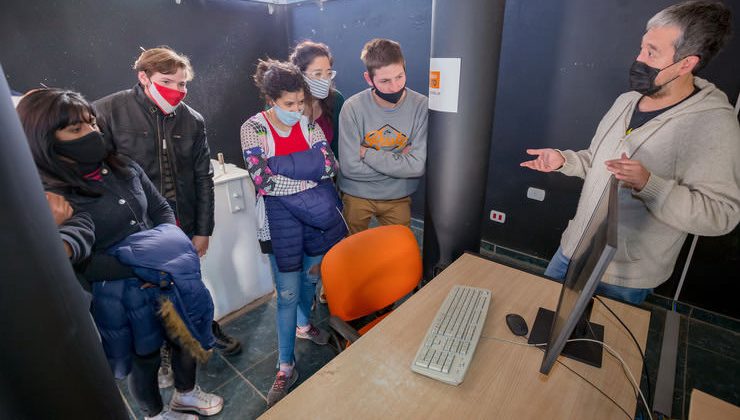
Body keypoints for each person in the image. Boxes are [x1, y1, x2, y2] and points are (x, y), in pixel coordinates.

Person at [18, 89, 224, 420]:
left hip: (164, 276)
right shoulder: (52, 200)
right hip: (121, 293)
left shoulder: (122, 166)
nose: (91, 133)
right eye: (75, 129)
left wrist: (164, 252)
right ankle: (155, 414)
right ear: (43, 138)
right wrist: (145, 269)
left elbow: (160, 208)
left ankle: (186, 395)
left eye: (91, 123)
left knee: (185, 340)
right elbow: (81, 260)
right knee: (145, 360)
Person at [521, 0, 740, 304]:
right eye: (641, 47)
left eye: (652, 52)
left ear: (687, 63)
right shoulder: (627, 101)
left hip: (625, 278)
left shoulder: (714, 123)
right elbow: (598, 162)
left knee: (589, 350)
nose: (638, 58)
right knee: (535, 323)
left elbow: (721, 215)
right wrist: (565, 161)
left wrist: (650, 185)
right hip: (571, 252)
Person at [92, 47, 240, 386]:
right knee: (146, 299)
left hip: (182, 224)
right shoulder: (106, 112)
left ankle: (202, 331)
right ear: (143, 78)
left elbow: (203, 177)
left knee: (190, 286)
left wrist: (203, 230)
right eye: (167, 81)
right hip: (136, 233)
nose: (177, 90)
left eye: (183, 83)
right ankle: (160, 354)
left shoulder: (193, 120)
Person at [240, 59, 346, 406]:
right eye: (289, 104)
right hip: (277, 220)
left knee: (311, 279)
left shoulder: (309, 124)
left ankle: (304, 324)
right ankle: (285, 364)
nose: (298, 109)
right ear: (270, 99)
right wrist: (307, 176)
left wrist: (289, 172)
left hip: (315, 217)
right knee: (286, 293)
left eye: (301, 101)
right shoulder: (253, 129)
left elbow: (330, 167)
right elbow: (263, 180)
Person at [338, 38, 428, 234]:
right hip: (356, 195)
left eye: (400, 76)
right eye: (385, 81)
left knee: (400, 252)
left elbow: (417, 166)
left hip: (398, 197)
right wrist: (400, 163)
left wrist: (366, 153)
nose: (395, 86)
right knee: (351, 251)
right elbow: (349, 167)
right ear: (369, 79)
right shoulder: (352, 108)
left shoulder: (422, 106)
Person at [289, 40, 345, 159]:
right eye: (318, 74)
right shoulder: (283, 103)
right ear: (300, 74)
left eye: (329, 73)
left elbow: (338, 149)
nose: (325, 80)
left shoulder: (336, 100)